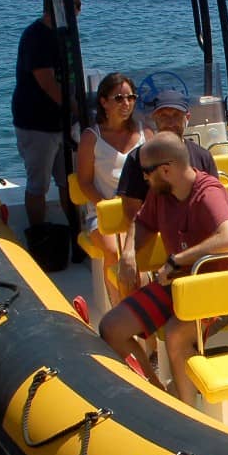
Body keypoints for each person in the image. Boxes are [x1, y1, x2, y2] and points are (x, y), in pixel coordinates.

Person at [100, 134, 228, 404]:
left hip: (217, 288)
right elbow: (142, 223)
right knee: (111, 327)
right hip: (175, 284)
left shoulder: (208, 193)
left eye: (146, 172)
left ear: (166, 170)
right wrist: (129, 253)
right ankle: (158, 394)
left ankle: (187, 411)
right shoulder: (159, 193)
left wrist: (179, 259)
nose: (144, 179)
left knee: (176, 334)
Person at [114, 87, 217, 294]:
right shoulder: (138, 159)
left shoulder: (203, 157)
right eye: (164, 116)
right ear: (154, 119)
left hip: (193, 240)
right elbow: (132, 213)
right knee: (134, 273)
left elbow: (211, 209)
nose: (170, 122)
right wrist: (129, 251)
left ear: (187, 117)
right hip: (153, 234)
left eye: (176, 116)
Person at [11, 0, 80, 228]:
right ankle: (38, 232)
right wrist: (77, 108)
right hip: (37, 122)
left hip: (64, 122)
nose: (79, 10)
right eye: (75, 4)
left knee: (68, 181)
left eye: (79, 4)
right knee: (38, 183)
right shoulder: (36, 37)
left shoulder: (67, 34)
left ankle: (74, 230)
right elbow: (48, 83)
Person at [76, 72, 147, 303]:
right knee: (114, 251)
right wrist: (106, 206)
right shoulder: (91, 137)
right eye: (119, 98)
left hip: (139, 210)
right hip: (102, 211)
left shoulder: (145, 133)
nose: (126, 103)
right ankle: (118, 307)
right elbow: (84, 182)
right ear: (104, 102)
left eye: (130, 97)